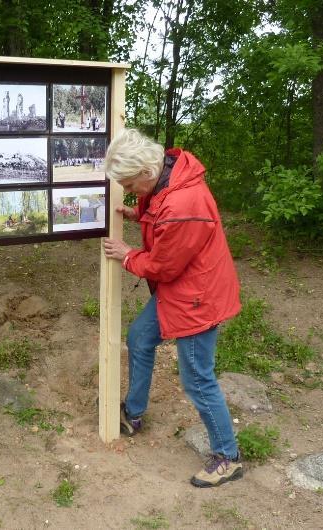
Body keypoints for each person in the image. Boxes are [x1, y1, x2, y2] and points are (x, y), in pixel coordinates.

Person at [101, 128, 243, 489]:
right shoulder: (168, 176)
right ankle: (133, 415)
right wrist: (139, 216)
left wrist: (128, 255)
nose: (129, 191)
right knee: (140, 338)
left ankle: (227, 456)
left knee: (197, 378)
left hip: (196, 297)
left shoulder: (183, 204)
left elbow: (164, 265)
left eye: (130, 185)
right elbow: (162, 214)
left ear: (146, 173)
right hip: (180, 291)